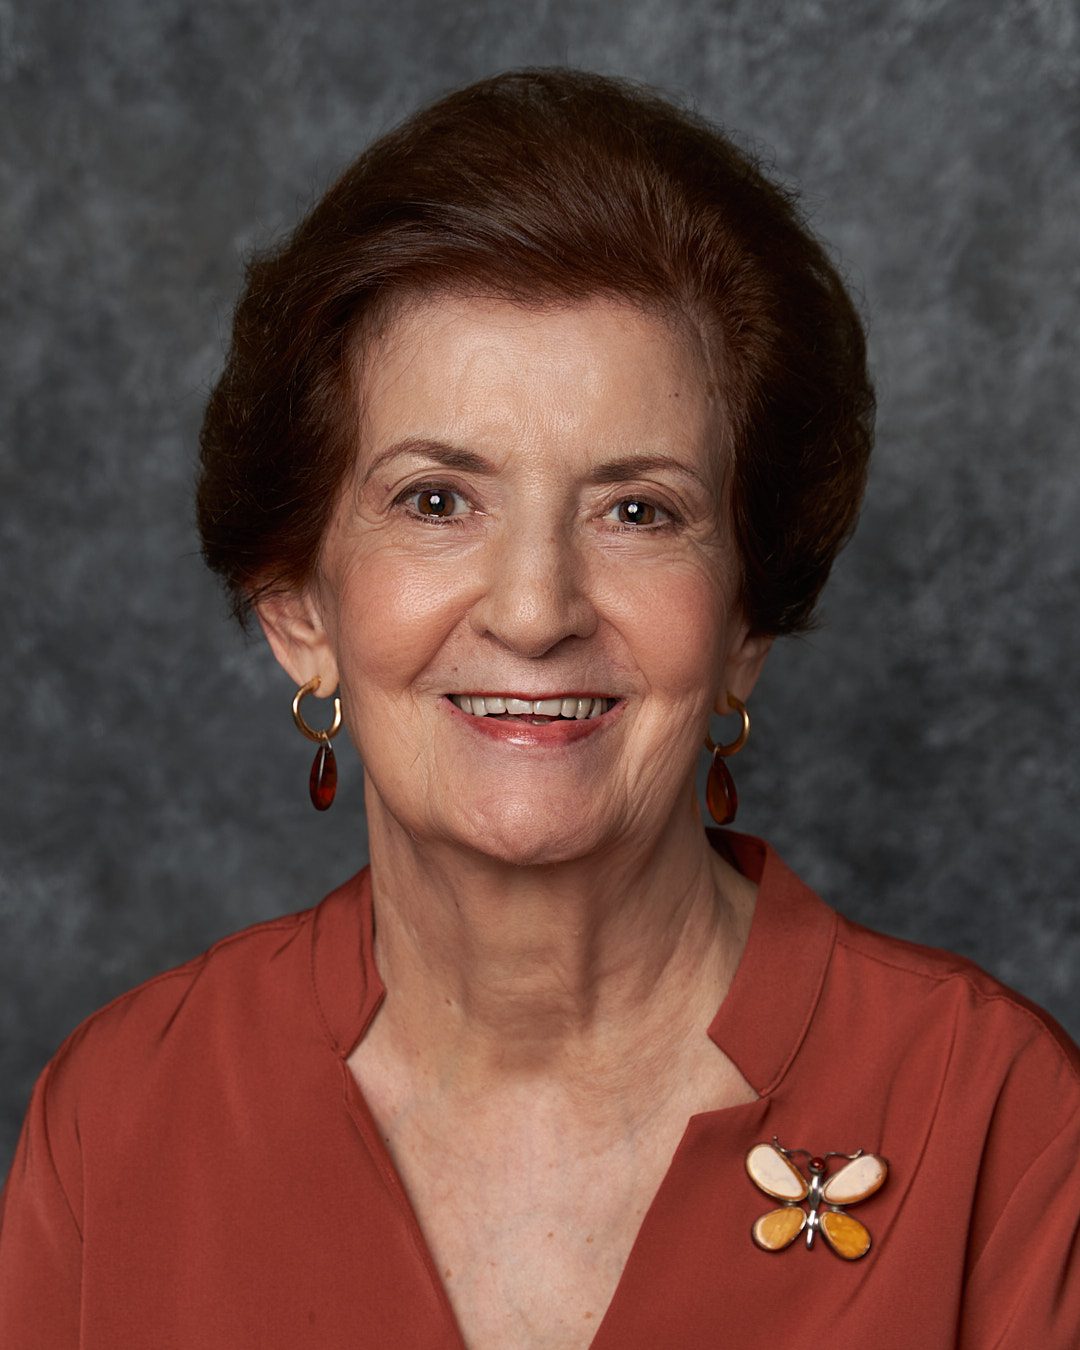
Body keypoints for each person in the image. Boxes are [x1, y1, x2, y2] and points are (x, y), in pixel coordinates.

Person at [1, 67, 1077, 1349]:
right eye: (438, 501)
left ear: (744, 626)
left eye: (639, 511)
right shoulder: (122, 1116)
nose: (534, 608)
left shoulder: (997, 1121)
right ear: (299, 611)